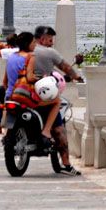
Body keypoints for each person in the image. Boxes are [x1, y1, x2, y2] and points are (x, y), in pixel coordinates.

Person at [30, 25, 83, 176]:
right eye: (50, 40)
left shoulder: (24, 51)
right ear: (43, 39)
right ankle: (66, 164)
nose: (52, 43)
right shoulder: (49, 52)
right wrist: (76, 76)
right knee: (59, 129)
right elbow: (66, 67)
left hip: (23, 93)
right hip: (42, 94)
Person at [6, 31, 61, 142]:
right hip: (26, 96)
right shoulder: (32, 57)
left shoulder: (12, 56)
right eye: (33, 42)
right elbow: (30, 77)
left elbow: (4, 81)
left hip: (12, 94)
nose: (35, 44)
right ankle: (46, 130)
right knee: (57, 101)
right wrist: (40, 79)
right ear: (28, 44)